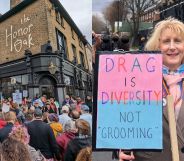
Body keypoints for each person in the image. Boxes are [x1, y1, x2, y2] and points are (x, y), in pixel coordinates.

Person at [119, 17, 184, 161]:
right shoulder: (139, 80)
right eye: (166, 41)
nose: (172, 46)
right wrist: (121, 148)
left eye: (178, 41)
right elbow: (124, 121)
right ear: (158, 46)